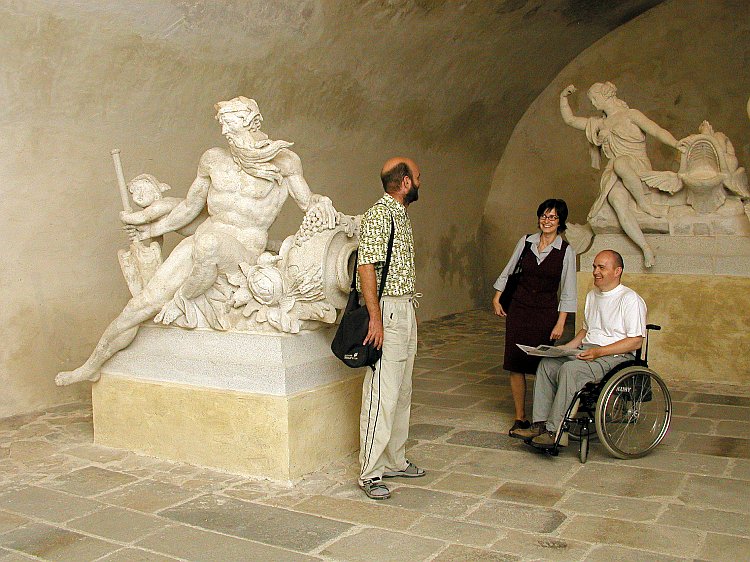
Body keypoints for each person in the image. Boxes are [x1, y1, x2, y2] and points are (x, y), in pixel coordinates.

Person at [56, 96, 336, 385]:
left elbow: (307, 201)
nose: (225, 132)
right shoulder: (213, 159)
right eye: (222, 125)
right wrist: (150, 231)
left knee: (210, 243)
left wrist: (321, 202)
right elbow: (189, 208)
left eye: (229, 123)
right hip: (207, 238)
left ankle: (183, 301)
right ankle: (91, 365)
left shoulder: (284, 162)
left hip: (242, 250)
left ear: (250, 121)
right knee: (144, 303)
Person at [514, 250, 647, 447]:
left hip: (614, 356)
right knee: (547, 364)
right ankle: (540, 425)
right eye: (594, 267)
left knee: (570, 370)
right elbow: (585, 331)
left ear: (617, 271)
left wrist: (599, 352)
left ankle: (555, 432)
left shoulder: (629, 299)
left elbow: (635, 341)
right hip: (588, 350)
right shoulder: (593, 296)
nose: (596, 272)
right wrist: (563, 349)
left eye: (602, 267)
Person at [560, 82, 685, 268]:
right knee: (617, 202)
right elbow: (570, 120)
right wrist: (563, 98)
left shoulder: (631, 115)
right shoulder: (599, 123)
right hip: (614, 173)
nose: (593, 103)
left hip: (636, 165)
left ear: (606, 96)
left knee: (620, 162)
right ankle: (645, 248)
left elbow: (656, 130)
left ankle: (644, 204)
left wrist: (676, 144)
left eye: (594, 99)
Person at [356, 157, 424, 500]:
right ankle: (371, 472)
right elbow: (366, 265)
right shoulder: (380, 214)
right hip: (389, 313)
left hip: (405, 308)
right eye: (418, 176)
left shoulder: (400, 214)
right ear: (407, 182)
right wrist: (376, 318)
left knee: (403, 390)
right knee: (382, 392)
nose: (421, 181)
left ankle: (395, 459)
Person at [493, 199, 577, 438]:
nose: (546, 221)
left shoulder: (566, 251)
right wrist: (497, 296)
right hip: (519, 309)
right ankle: (520, 417)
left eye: (552, 217)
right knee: (515, 363)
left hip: (545, 313)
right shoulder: (526, 241)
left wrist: (561, 322)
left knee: (542, 364)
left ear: (560, 222)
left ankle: (542, 418)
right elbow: (509, 269)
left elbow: (569, 289)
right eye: (543, 215)